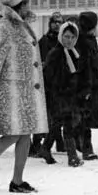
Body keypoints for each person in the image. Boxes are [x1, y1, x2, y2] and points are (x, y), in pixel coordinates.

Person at [0, 0, 47, 193]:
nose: (29, 6)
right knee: (15, 133)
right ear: (19, 4)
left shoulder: (22, 25)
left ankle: (17, 181)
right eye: (27, 3)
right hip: (11, 92)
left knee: (26, 134)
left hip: (27, 91)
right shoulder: (3, 27)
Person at [41, 21, 91, 167]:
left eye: (72, 37)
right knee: (68, 125)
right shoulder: (55, 54)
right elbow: (49, 77)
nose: (69, 40)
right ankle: (72, 156)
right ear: (61, 36)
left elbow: (80, 74)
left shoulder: (74, 53)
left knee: (58, 124)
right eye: (66, 37)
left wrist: (83, 90)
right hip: (58, 96)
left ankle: (45, 148)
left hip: (71, 96)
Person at [77, 11, 98, 161]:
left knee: (87, 115)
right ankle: (86, 148)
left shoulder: (90, 39)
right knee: (85, 116)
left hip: (94, 82)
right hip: (88, 83)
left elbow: (97, 60)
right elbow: (85, 65)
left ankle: (83, 145)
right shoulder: (83, 41)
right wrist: (87, 87)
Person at [33, 11, 66, 160]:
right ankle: (37, 143)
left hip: (59, 83)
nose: (57, 25)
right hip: (45, 83)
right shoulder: (44, 41)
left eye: (60, 22)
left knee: (57, 113)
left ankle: (59, 141)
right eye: (54, 22)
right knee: (43, 114)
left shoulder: (64, 41)